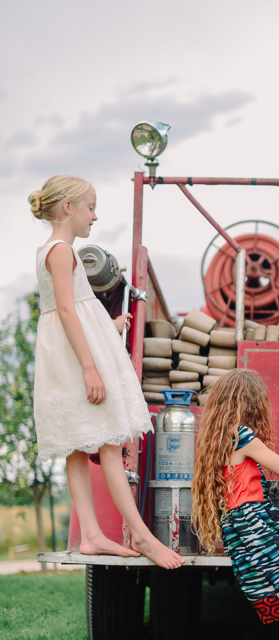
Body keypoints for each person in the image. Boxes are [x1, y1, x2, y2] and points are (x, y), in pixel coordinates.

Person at [29, 175, 184, 569]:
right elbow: (66, 310)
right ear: (68, 208)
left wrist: (105, 327)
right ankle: (145, 538)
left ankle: (93, 536)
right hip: (77, 361)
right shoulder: (63, 250)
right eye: (90, 207)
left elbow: (71, 310)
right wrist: (90, 368)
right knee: (111, 443)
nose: (94, 217)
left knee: (79, 448)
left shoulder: (50, 249)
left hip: (66, 352)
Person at [191, 369, 279, 623]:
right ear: (254, 405)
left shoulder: (219, 439)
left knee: (276, 568)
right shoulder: (244, 436)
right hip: (255, 520)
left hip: (237, 525)